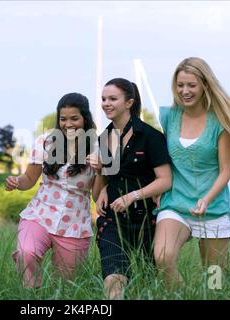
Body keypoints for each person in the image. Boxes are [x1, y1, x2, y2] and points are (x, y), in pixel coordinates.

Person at [153, 57, 230, 289]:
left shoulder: (220, 123)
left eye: (191, 85)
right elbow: (162, 158)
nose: (185, 91)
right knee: (162, 256)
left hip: (213, 208)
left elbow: (225, 172)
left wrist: (206, 199)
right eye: (180, 85)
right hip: (176, 204)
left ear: (205, 86)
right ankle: (181, 295)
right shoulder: (168, 116)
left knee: (214, 282)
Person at [5, 92, 103, 288]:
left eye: (74, 118)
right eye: (63, 119)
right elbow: (29, 179)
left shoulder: (99, 148)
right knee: (27, 252)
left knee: (65, 287)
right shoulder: (45, 141)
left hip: (74, 225)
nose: (68, 124)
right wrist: (16, 182)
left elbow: (97, 196)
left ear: (85, 118)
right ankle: (32, 293)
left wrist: (101, 171)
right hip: (40, 215)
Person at [93, 78, 172, 299]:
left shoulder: (150, 136)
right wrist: (101, 178)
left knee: (148, 284)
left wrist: (133, 196)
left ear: (129, 102)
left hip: (147, 221)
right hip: (113, 222)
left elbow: (165, 180)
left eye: (112, 99)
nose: (106, 103)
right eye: (103, 99)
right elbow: (99, 191)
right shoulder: (102, 138)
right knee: (113, 280)